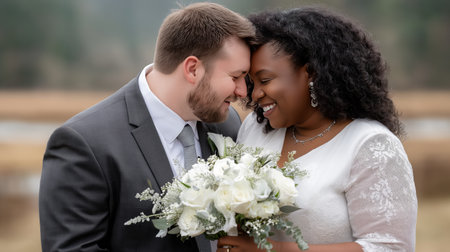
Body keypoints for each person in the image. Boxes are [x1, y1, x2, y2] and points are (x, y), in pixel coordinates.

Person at [39, 2, 255, 252]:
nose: (242, 91)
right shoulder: (84, 142)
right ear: (192, 69)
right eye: (235, 76)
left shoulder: (227, 125)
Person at [217, 7, 417, 252]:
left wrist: (275, 250)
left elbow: (391, 247)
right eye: (252, 83)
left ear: (310, 72)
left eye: (265, 80)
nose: (255, 94)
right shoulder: (256, 128)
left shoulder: (370, 145)